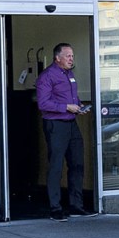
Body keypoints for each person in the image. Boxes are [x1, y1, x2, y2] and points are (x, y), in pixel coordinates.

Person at [35, 43, 95, 221]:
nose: (71, 59)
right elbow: (43, 104)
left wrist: (79, 105)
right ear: (57, 58)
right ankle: (55, 208)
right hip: (55, 125)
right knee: (56, 166)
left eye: (72, 55)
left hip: (71, 124)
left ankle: (76, 205)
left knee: (77, 163)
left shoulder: (70, 74)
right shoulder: (46, 76)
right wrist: (66, 107)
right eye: (68, 56)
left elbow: (72, 97)